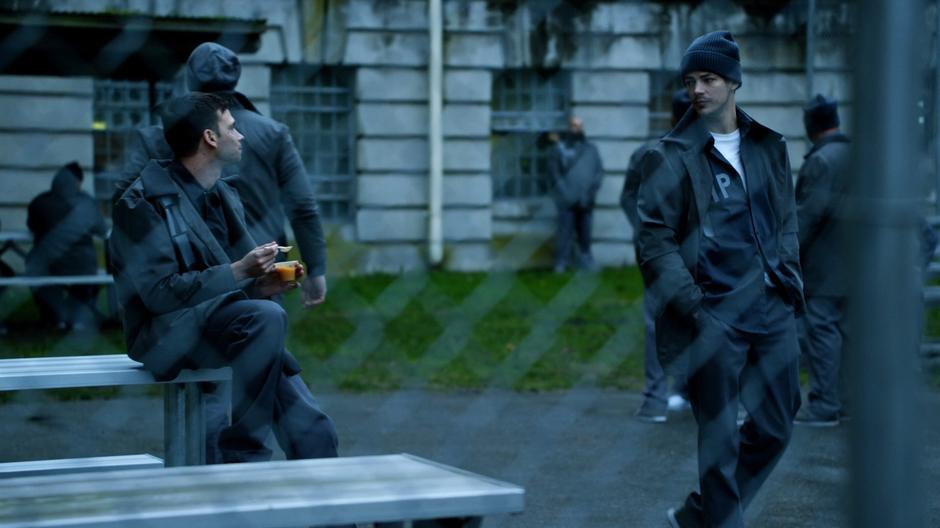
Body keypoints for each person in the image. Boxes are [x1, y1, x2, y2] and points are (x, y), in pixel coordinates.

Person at [110, 92, 339, 464]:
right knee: (266, 318)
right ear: (210, 138)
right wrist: (240, 271)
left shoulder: (223, 194)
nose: (242, 136)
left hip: (229, 324)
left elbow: (240, 282)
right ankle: (244, 454)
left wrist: (262, 283)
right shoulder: (141, 203)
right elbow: (158, 295)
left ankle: (335, 515)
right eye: (232, 127)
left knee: (315, 429)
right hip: (166, 333)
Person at [635, 31, 804, 528]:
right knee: (719, 439)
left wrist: (789, 272)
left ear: (733, 82)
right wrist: (694, 306)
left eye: (708, 78)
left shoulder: (769, 147)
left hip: (770, 304)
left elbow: (786, 219)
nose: (698, 90)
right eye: (690, 80)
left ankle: (699, 516)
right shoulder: (668, 155)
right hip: (711, 312)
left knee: (775, 426)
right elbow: (654, 241)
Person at [122, 42, 328, 310]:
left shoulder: (162, 134)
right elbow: (301, 205)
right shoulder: (272, 133)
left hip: (191, 267)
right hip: (258, 261)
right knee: (262, 332)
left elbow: (125, 196)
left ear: (190, 78)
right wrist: (317, 267)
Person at [622, 89, 692, 423]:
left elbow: (628, 197)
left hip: (656, 251)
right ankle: (697, 392)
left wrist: (646, 233)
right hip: (698, 249)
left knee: (656, 320)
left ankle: (656, 398)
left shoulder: (647, 152)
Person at [793, 95, 851, 427]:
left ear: (810, 126)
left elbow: (808, 216)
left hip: (825, 266)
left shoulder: (821, 161)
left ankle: (824, 404)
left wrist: (785, 254)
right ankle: (847, 401)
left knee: (822, 333)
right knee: (849, 334)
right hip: (857, 265)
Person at [26, 161, 109, 331]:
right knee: (88, 281)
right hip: (82, 265)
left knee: (39, 277)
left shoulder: (39, 202)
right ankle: (77, 318)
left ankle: (56, 318)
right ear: (78, 182)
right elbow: (102, 230)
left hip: (46, 264)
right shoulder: (86, 203)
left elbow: (32, 226)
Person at [549, 116, 604, 272]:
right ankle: (562, 261)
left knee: (585, 233)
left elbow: (598, 172)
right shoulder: (558, 150)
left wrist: (591, 192)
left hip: (586, 199)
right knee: (564, 232)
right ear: (568, 128)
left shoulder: (591, 149)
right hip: (566, 201)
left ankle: (586, 259)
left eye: (580, 126)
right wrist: (566, 194)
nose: (577, 129)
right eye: (574, 126)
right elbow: (555, 176)